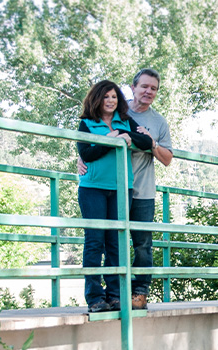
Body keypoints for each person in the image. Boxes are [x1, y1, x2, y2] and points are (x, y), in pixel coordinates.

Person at [79, 68, 173, 310]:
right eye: (144, 86)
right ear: (133, 88)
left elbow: (165, 156)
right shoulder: (114, 113)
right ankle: (100, 296)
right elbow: (86, 149)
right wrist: (85, 158)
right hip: (105, 186)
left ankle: (134, 293)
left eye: (153, 88)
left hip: (138, 189)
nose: (148, 92)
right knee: (102, 240)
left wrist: (145, 140)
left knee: (137, 243)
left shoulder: (154, 121)